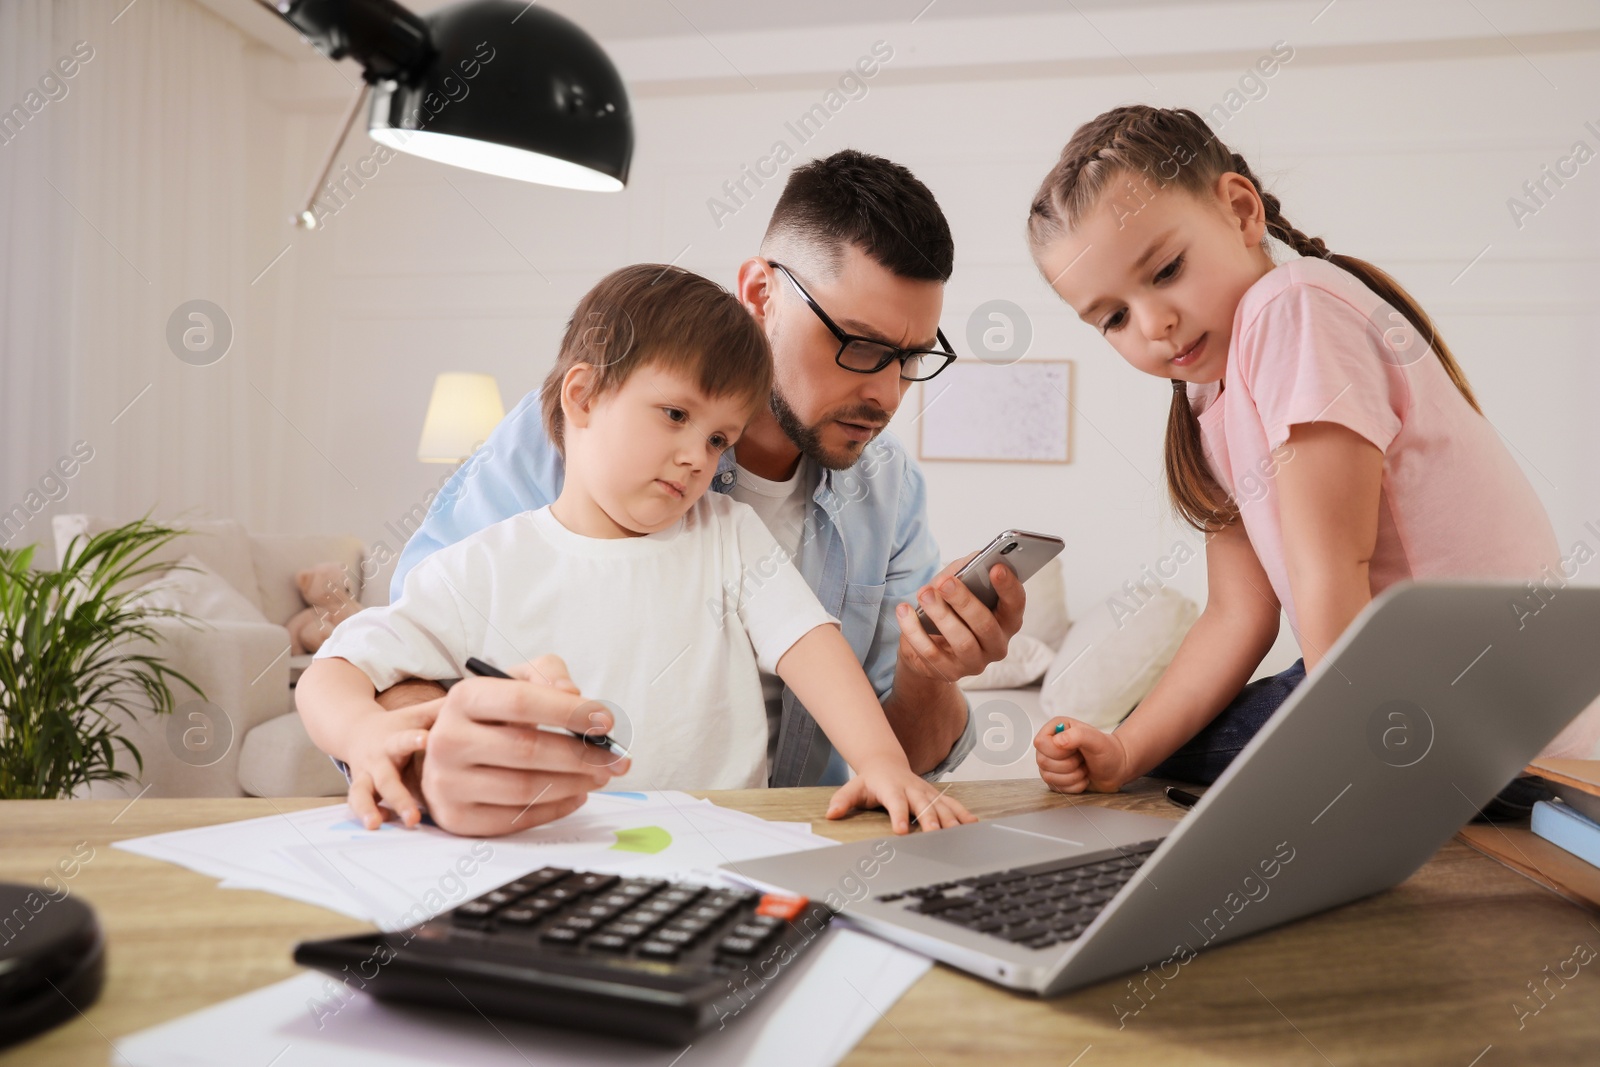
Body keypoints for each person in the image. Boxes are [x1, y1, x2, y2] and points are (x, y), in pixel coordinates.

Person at [360, 151, 1025, 836]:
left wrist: (930, 673)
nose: (886, 395)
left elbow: (894, 759)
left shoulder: (887, 490)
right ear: (762, 293)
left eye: (910, 359)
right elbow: (403, 656)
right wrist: (427, 762)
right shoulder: (572, 431)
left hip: (770, 846)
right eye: (858, 344)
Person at [1023, 104, 1600, 794]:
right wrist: (1122, 751)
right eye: (1113, 317)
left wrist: (1354, 768)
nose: (1153, 324)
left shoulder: (1292, 308)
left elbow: (1334, 571)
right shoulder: (1212, 396)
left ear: (1240, 211)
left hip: (1489, 719)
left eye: (1168, 268)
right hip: (1404, 686)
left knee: (1216, 754)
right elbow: (1238, 615)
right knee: (1164, 744)